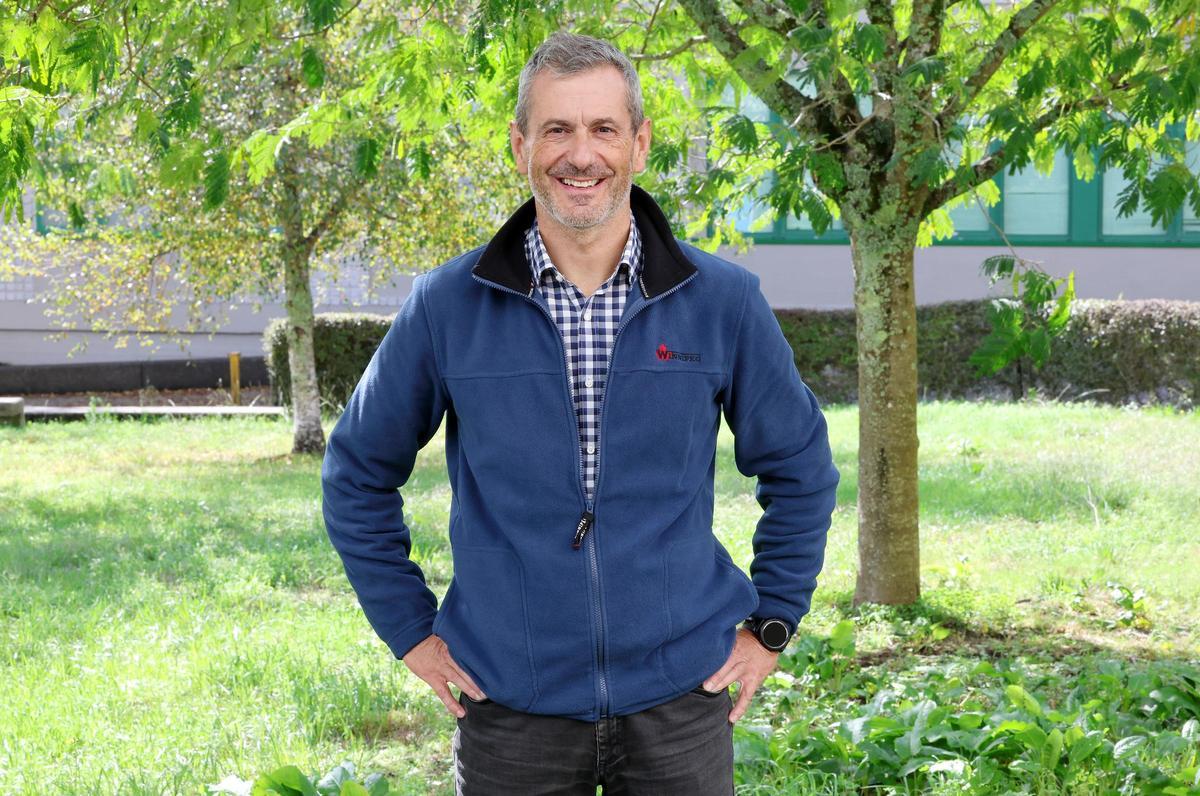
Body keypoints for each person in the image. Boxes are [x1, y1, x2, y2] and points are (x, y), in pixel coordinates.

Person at [320, 30, 841, 795]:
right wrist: (411, 632)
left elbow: (801, 469)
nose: (581, 154)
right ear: (520, 143)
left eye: (603, 129)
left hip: (681, 703)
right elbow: (357, 474)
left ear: (639, 143)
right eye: (557, 129)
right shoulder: (448, 305)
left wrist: (773, 622)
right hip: (510, 707)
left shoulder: (722, 302)